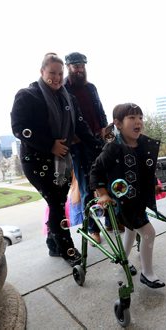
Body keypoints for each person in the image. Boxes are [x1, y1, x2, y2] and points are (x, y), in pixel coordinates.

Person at [11, 52, 101, 267]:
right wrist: (49, 144)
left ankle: (53, 244)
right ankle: (67, 250)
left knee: (57, 203)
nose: (57, 78)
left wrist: (100, 148)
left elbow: (81, 126)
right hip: (36, 160)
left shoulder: (68, 97)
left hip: (62, 159)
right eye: (52, 72)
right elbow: (19, 128)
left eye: (60, 73)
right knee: (57, 203)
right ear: (42, 71)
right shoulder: (27, 95)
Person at [90, 103, 165, 288]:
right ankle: (147, 274)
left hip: (136, 199)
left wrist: (154, 184)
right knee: (148, 232)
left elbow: (146, 171)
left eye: (140, 117)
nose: (138, 121)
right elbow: (96, 171)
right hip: (121, 200)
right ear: (118, 123)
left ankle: (123, 259)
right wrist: (103, 194)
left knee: (132, 230)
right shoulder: (113, 148)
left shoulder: (142, 146)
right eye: (132, 118)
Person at [64, 51, 117, 244]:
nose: (80, 69)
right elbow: (63, 118)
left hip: (98, 141)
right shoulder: (63, 89)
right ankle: (93, 229)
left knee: (106, 181)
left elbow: (99, 109)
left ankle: (110, 221)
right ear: (68, 67)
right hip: (79, 146)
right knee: (87, 188)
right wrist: (72, 138)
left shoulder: (91, 87)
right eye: (76, 66)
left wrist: (104, 127)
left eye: (82, 66)